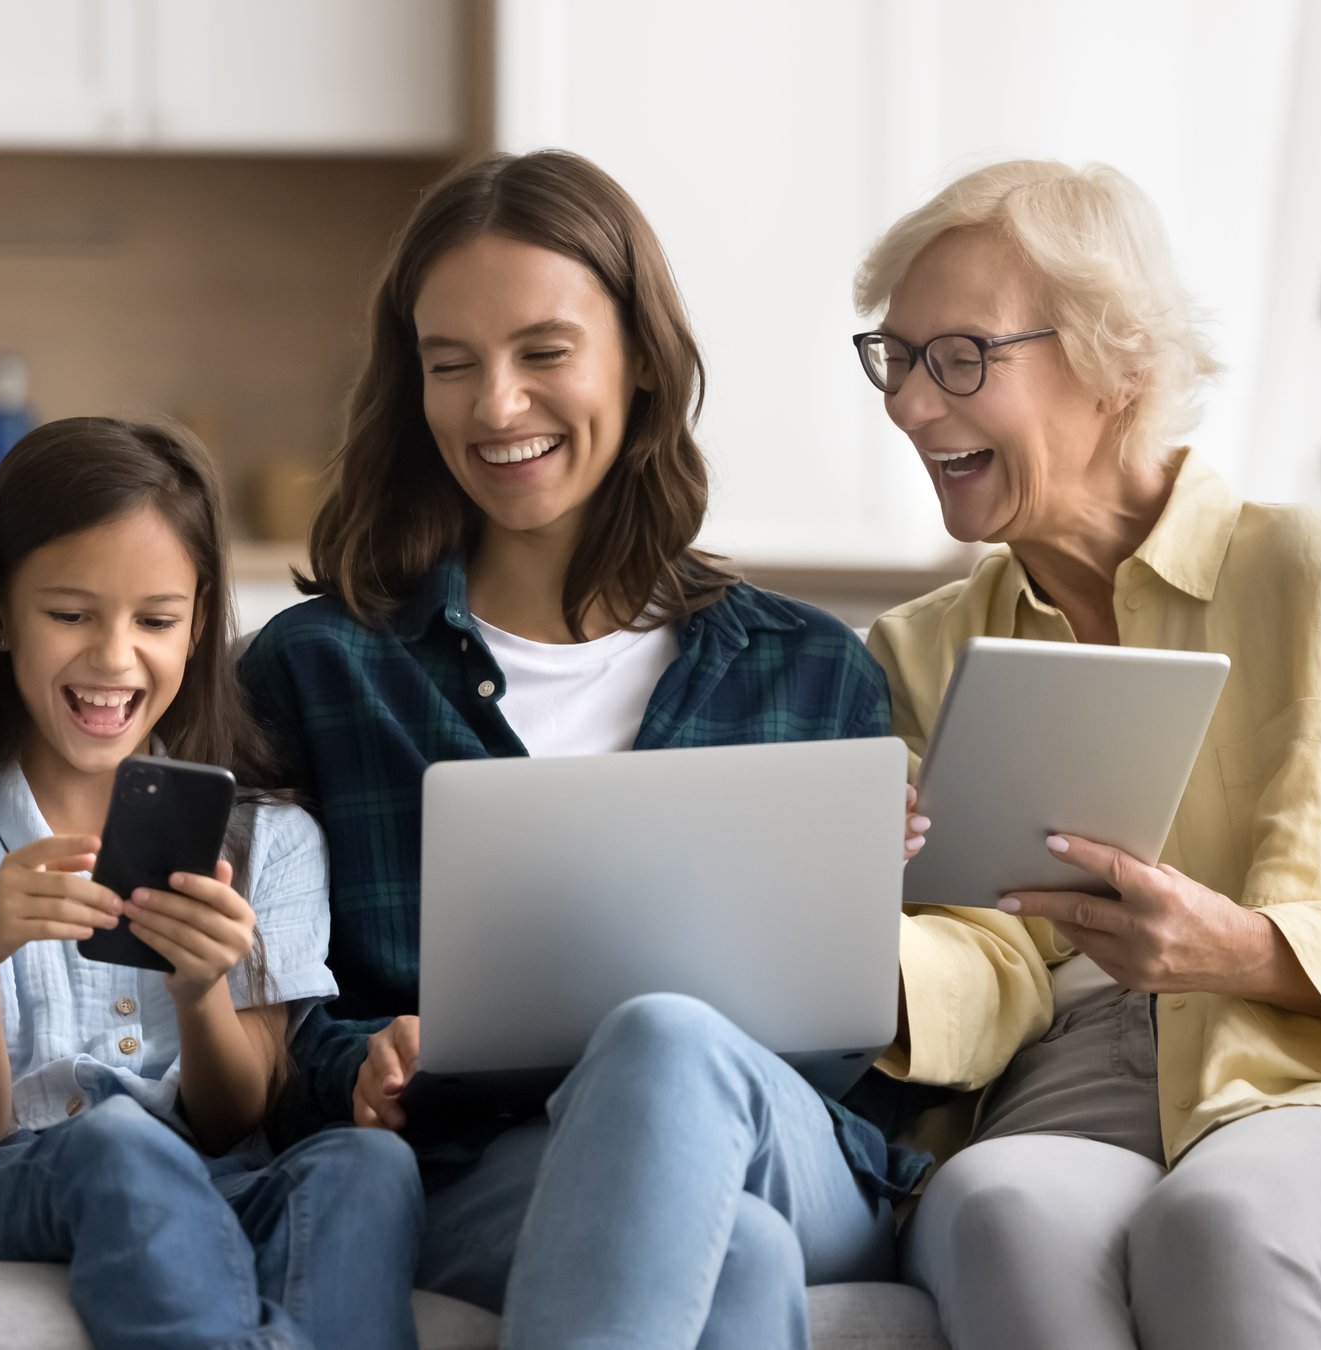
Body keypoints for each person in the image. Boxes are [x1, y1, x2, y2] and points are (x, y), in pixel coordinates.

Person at [852, 160, 1321, 1350]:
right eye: (896, 358)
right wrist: (846, 918)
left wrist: (1243, 947)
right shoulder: (918, 653)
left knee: (1225, 1222)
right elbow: (982, 960)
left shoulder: (1312, 576)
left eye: (961, 359)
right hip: (1074, 1090)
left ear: (1117, 364)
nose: (911, 407)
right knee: (993, 1203)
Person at [239, 150, 931, 1348]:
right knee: (736, 1261)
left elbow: (848, 1045)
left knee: (665, 1044)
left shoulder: (810, 671)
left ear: (643, 359)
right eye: (449, 365)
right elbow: (260, 1022)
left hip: (783, 1145)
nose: (495, 405)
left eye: (542, 353)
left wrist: (879, 888)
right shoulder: (317, 670)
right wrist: (361, 1055)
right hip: (476, 1172)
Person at [0, 416, 423, 1350]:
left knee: (368, 1166)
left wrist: (202, 994)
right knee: (118, 1144)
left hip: (208, 1179)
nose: (114, 658)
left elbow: (236, 1119)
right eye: (70, 615)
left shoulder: (269, 839)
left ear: (197, 627)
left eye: (155, 621)